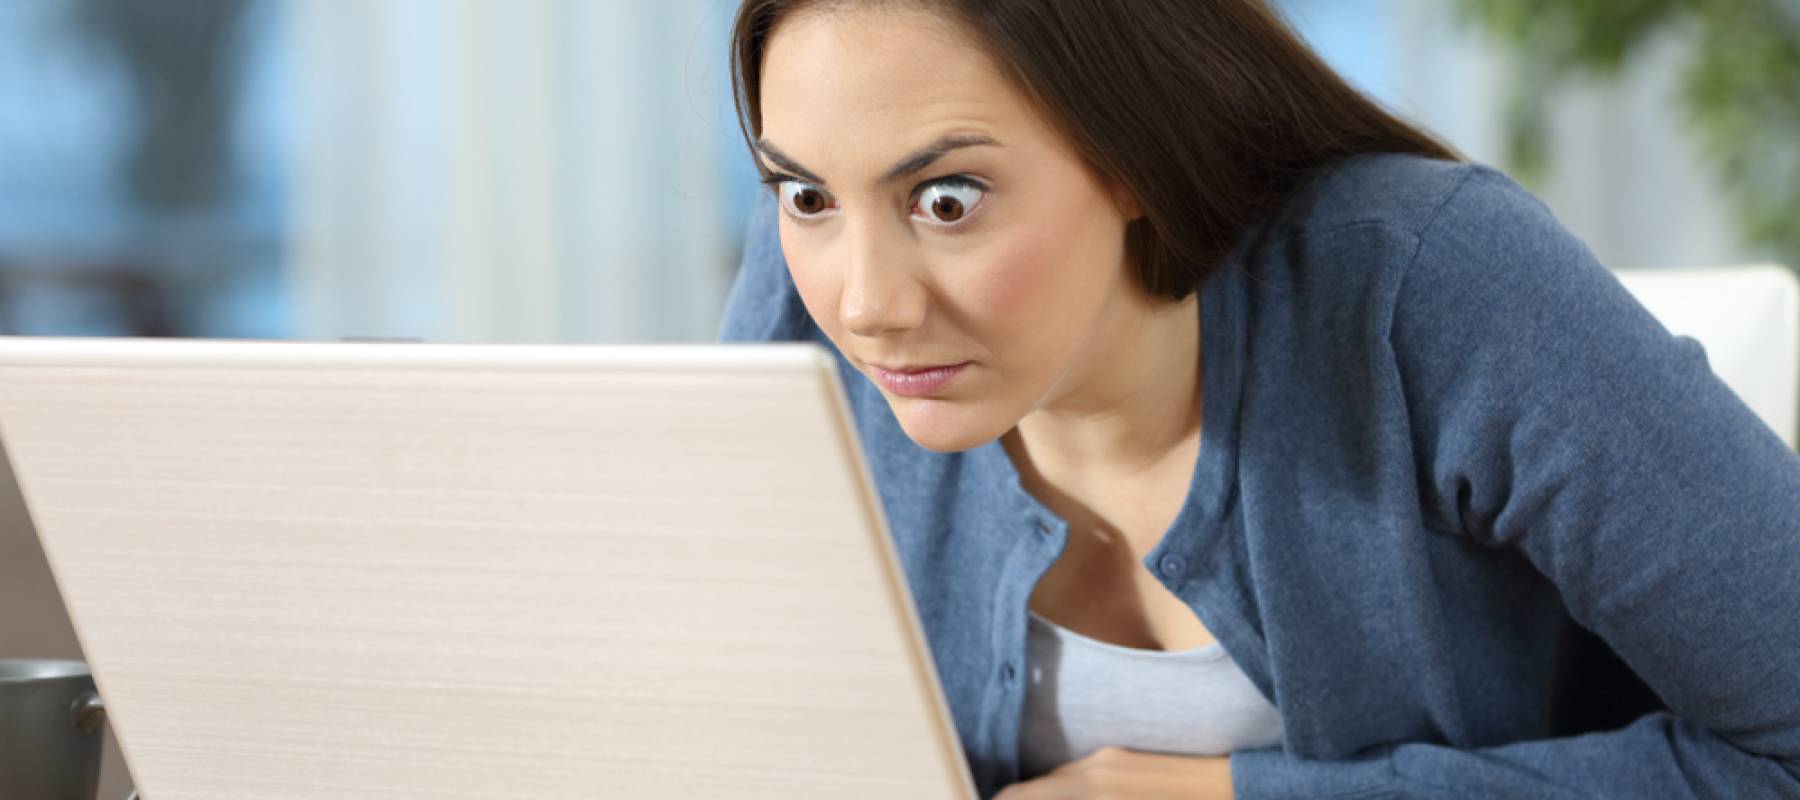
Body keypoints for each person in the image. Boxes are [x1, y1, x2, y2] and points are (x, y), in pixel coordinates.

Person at [717, 1, 1800, 797]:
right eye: (805, 194)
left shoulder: (1434, 283)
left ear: (1131, 150)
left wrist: (1234, 793)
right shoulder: (805, 311)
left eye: (947, 200)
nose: (865, 305)